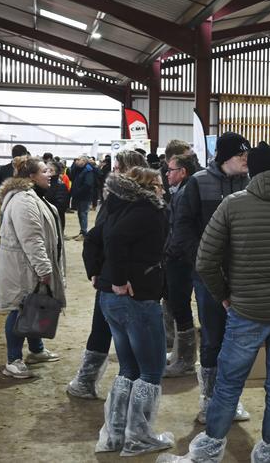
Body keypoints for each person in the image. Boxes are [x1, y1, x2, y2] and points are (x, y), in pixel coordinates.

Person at [162, 142, 270, 462]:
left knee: (229, 383)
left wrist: (224, 295)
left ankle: (212, 446)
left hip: (245, 311)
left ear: (254, 170)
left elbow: (205, 261)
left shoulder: (233, 205)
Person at [84, 166, 173, 457]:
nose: (163, 188)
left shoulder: (117, 207)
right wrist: (120, 279)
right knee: (151, 369)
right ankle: (138, 437)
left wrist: (97, 273)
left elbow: (94, 238)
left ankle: (115, 434)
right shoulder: (148, 211)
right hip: (136, 298)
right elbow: (115, 240)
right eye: (158, 184)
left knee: (128, 368)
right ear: (148, 187)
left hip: (110, 298)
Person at [171, 131, 252, 423]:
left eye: (246, 155)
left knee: (239, 339)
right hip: (207, 276)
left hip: (242, 276)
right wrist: (202, 262)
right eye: (240, 155)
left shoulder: (250, 183)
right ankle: (209, 401)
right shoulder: (198, 183)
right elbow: (182, 228)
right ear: (224, 157)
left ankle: (232, 398)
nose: (245, 159)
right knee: (212, 336)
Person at [67, 150, 147, 399]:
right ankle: (87, 381)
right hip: (115, 277)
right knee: (108, 329)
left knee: (106, 328)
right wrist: (98, 272)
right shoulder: (117, 199)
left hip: (120, 275)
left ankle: (86, 381)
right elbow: (98, 238)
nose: (112, 171)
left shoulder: (128, 199)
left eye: (117, 167)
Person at [0, 156, 65, 379]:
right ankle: (13, 360)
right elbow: (31, 239)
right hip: (23, 267)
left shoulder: (33, 197)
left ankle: (36, 350)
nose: (50, 173)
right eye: (45, 171)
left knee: (34, 305)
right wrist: (44, 268)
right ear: (31, 176)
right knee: (20, 309)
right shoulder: (24, 201)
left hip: (26, 265)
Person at [162, 154, 198, 377]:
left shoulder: (185, 194)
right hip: (179, 256)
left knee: (180, 305)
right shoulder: (181, 192)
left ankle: (185, 359)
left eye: (171, 170)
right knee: (176, 304)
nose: (167, 174)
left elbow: (182, 230)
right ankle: (180, 352)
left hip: (181, 259)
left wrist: (173, 253)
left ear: (183, 172)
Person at [69, 155, 96, 240]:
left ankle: (84, 233)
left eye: (78, 159)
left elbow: (88, 184)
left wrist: (78, 191)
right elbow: (71, 176)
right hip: (79, 196)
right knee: (80, 214)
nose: (77, 161)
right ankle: (82, 232)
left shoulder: (88, 170)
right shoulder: (79, 169)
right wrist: (75, 165)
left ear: (84, 161)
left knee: (83, 214)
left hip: (85, 196)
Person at [45, 161, 70, 233]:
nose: (48, 172)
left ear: (56, 173)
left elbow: (61, 208)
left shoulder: (60, 186)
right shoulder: (42, 185)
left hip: (55, 222)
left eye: (51, 170)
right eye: (46, 170)